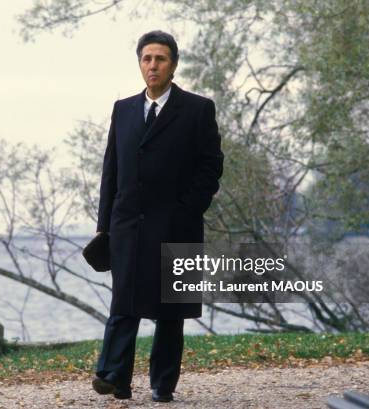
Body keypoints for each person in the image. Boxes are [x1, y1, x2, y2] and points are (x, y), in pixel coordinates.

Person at [92, 30, 224, 402]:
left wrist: (189, 207)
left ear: (173, 64)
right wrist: (104, 225)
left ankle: (162, 385)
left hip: (177, 223)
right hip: (127, 225)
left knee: (170, 311)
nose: (153, 65)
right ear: (140, 63)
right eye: (147, 59)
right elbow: (111, 170)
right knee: (124, 302)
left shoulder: (198, 109)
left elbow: (211, 165)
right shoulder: (123, 109)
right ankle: (114, 376)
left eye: (160, 59)